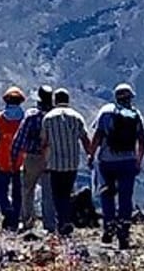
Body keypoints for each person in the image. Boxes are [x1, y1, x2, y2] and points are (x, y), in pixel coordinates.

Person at [89, 83, 144, 249]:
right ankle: (124, 231)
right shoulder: (135, 115)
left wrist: (91, 154)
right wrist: (138, 160)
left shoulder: (106, 113)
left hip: (107, 161)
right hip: (128, 162)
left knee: (107, 193)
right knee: (125, 197)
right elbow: (141, 141)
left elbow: (98, 136)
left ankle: (108, 227)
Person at [40, 88, 91, 236]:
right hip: (72, 163)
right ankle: (65, 220)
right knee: (67, 192)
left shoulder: (48, 118)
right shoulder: (77, 117)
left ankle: (62, 222)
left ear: (55, 101)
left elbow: (44, 142)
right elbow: (85, 139)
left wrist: (44, 161)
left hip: (55, 163)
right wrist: (90, 155)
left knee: (57, 194)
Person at [11, 85, 55, 232]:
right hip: (50, 158)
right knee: (48, 192)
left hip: (32, 157)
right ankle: (49, 224)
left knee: (28, 189)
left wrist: (14, 155)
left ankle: (28, 221)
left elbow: (20, 138)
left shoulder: (31, 116)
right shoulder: (54, 116)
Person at [0, 86, 26, 231]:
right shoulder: (24, 118)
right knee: (18, 190)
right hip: (20, 160)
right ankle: (16, 217)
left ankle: (7, 211)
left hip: (2, 159)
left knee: (2, 190)